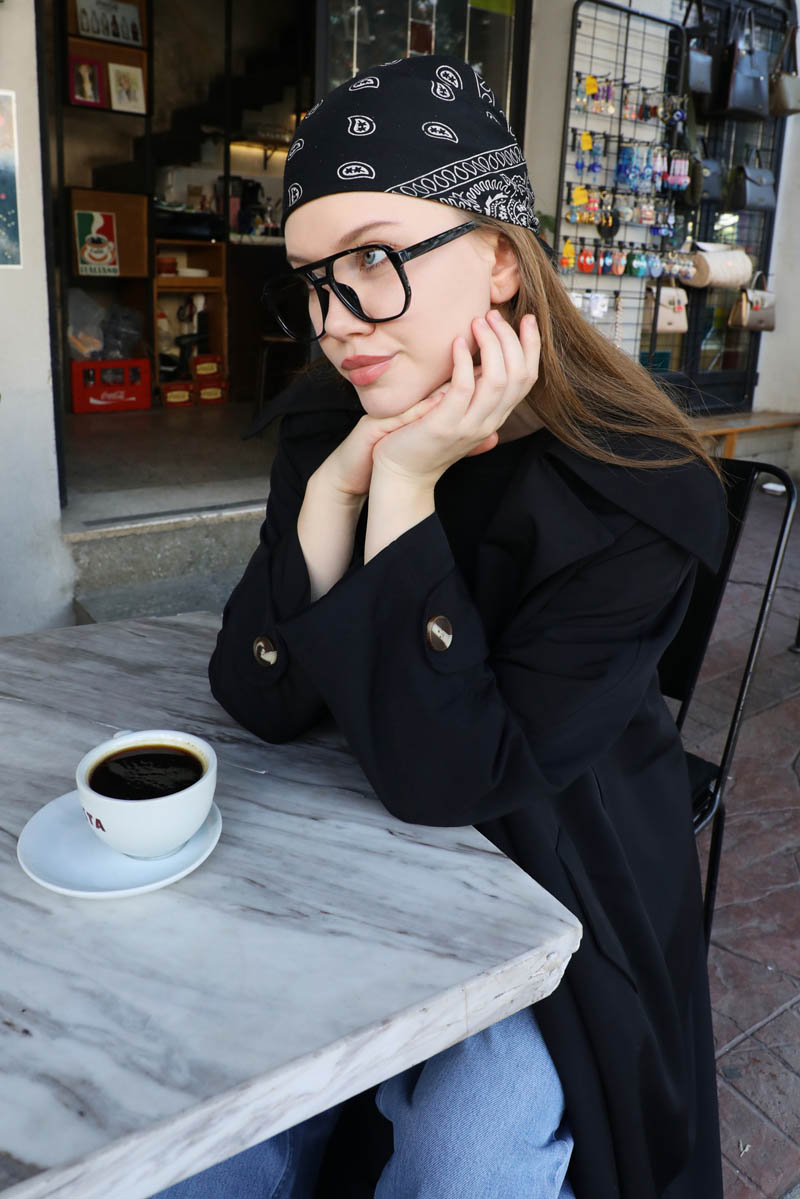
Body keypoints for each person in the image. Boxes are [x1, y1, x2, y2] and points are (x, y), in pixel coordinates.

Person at [154, 55, 727, 1199]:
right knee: (199, 1127)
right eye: (314, 280)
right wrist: (336, 492)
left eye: (374, 258)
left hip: (561, 874)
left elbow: (454, 779)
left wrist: (406, 488)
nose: (335, 322)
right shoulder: (332, 421)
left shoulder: (634, 489)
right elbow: (257, 692)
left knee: (467, 1153)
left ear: (501, 259)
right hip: (346, 845)